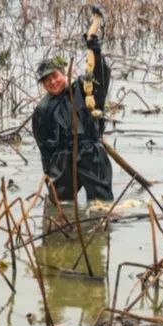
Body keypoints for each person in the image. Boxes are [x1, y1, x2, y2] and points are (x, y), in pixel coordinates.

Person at [32, 34, 113, 201]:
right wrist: (49, 174)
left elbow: (100, 77)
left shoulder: (82, 89)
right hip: (62, 159)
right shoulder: (42, 109)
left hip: (91, 153)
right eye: (46, 81)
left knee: (101, 203)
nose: (52, 82)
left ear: (63, 74)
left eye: (54, 76)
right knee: (59, 202)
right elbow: (43, 146)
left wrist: (95, 52)